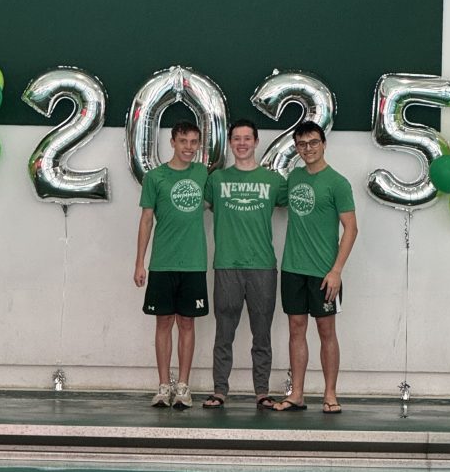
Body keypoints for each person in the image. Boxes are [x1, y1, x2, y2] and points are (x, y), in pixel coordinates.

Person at [273, 121, 357, 414]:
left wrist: (336, 271)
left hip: (324, 273)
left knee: (326, 332)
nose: (307, 149)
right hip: (293, 269)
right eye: (302, 144)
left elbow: (351, 229)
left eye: (313, 143)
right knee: (296, 330)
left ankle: (330, 394)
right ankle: (296, 394)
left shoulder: (338, 183)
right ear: (296, 148)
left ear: (323, 144)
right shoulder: (294, 177)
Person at [202, 119, 287, 409]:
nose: (241, 143)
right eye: (236, 138)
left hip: (263, 266)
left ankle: (261, 392)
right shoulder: (216, 180)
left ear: (256, 141)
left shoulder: (274, 181)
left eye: (247, 138)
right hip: (226, 264)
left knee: (261, 334)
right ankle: (219, 390)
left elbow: (297, 208)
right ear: (230, 143)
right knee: (223, 332)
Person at [134, 121, 209, 409]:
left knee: (187, 323)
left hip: (193, 263)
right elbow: (146, 220)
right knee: (163, 323)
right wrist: (140, 262)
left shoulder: (203, 174)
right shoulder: (155, 177)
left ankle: (184, 387)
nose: (189, 147)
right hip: (162, 263)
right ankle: (164, 386)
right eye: (183, 141)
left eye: (193, 142)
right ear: (172, 142)